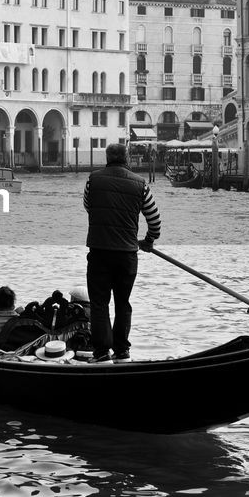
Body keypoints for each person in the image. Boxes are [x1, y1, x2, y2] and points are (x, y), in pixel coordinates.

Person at [83, 142, 161, 363]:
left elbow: (89, 206)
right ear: (127, 158)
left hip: (99, 252)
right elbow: (154, 220)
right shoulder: (141, 184)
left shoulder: (93, 180)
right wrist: (149, 240)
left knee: (99, 304)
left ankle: (101, 353)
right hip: (127, 254)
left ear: (107, 157)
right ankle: (122, 351)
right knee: (122, 302)